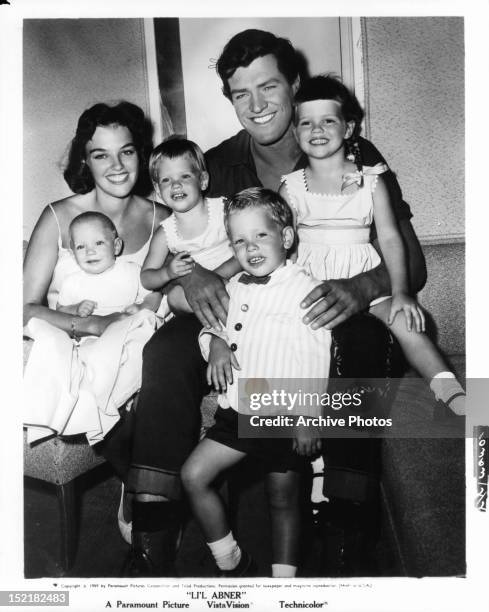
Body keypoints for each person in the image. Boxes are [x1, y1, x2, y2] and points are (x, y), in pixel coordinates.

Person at [124, 29, 426, 576]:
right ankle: (154, 516)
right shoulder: (216, 164)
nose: (257, 105)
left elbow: (409, 262)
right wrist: (192, 279)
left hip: (320, 308)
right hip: (243, 305)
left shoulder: (347, 151)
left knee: (361, 340)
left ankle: (346, 520)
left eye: (269, 87)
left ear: (294, 86)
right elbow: (179, 247)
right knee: (167, 349)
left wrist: (360, 289)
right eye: (242, 94)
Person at [280, 75, 465, 415]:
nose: (316, 129)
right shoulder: (291, 188)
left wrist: (402, 292)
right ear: (295, 133)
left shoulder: (372, 182)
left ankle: (456, 399)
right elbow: (284, 248)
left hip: (362, 273)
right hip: (312, 282)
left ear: (349, 128)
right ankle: (307, 418)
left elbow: (392, 240)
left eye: (328, 121)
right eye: (306, 122)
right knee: (304, 343)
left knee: (407, 323)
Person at [22, 100, 168, 516]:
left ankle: (147, 492)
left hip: (144, 342)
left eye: (127, 151)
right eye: (101, 154)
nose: (117, 165)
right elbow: (24, 308)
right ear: (86, 161)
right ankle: (140, 486)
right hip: (79, 341)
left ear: (141, 152)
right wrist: (91, 323)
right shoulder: (57, 216)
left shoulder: (163, 216)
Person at [181, 187, 330, 578]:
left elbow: (315, 357)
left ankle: (284, 585)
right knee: (193, 476)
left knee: (282, 500)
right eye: (239, 241)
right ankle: (229, 558)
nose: (251, 248)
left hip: (283, 412)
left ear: (285, 237)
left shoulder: (304, 289)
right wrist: (214, 344)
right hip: (238, 412)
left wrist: (308, 416)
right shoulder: (234, 286)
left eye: (260, 236)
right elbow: (213, 326)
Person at [24, 211, 160, 445]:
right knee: (83, 366)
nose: (90, 251)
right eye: (80, 247)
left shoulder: (131, 271)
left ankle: (116, 403)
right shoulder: (74, 282)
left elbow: (154, 295)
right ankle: (95, 408)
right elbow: (60, 312)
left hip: (128, 329)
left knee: (136, 349)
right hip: (91, 339)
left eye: (98, 242)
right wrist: (75, 308)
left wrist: (140, 307)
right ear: (73, 253)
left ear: (116, 245)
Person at [140, 137, 236, 316]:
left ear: (203, 180)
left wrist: (216, 278)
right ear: (158, 190)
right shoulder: (165, 233)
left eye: (185, 176)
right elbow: (146, 277)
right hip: (197, 297)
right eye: (166, 180)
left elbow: (245, 247)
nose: (176, 185)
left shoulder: (223, 211)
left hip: (234, 278)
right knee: (175, 297)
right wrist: (167, 273)